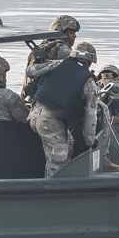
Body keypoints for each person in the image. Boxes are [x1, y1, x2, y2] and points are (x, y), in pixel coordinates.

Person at [27, 43, 102, 176]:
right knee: (58, 161)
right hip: (51, 121)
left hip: (35, 114)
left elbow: (31, 71)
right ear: (90, 62)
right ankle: (52, 192)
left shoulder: (57, 64)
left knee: (69, 144)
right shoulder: (89, 82)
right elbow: (91, 116)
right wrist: (90, 140)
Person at [23, 15, 81, 91]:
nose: (74, 36)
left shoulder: (39, 48)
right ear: (61, 32)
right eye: (71, 33)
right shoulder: (63, 50)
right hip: (47, 98)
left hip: (29, 95)